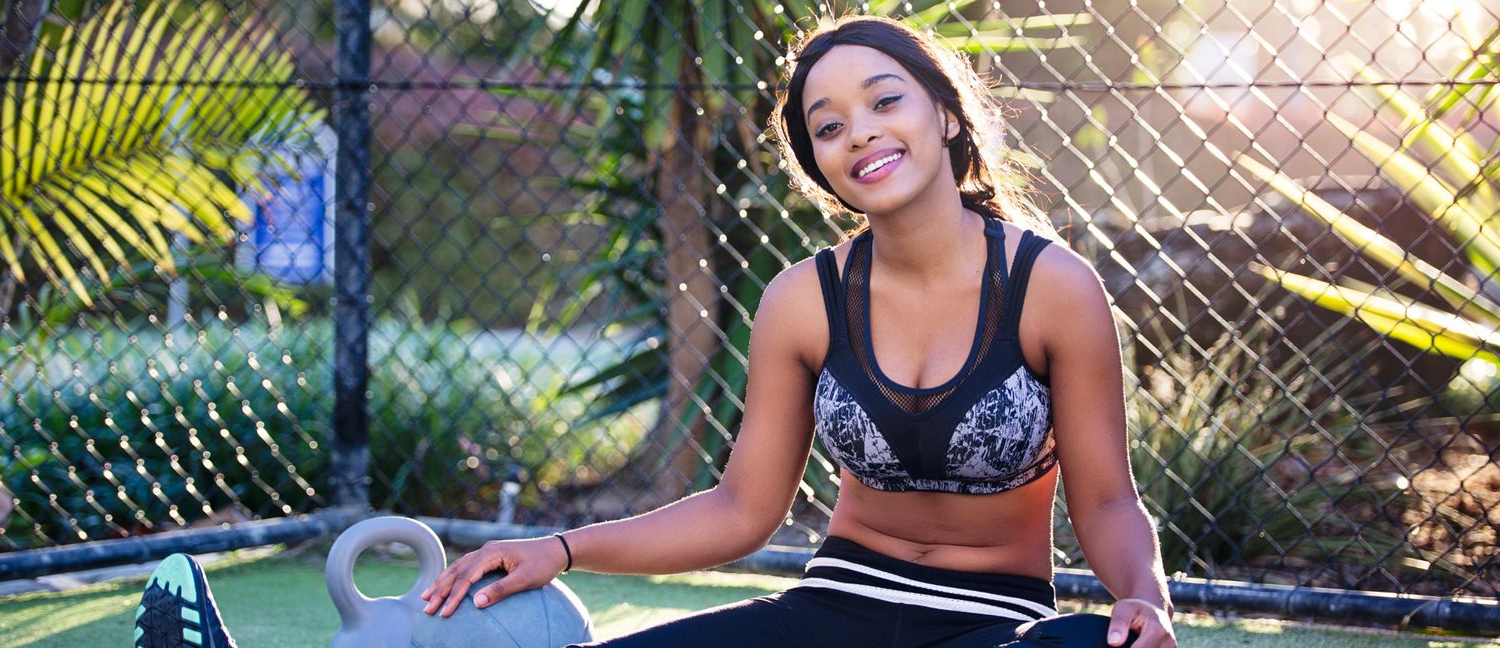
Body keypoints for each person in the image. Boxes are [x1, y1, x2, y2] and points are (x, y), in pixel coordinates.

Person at [418, 14, 1176, 648]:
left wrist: (1146, 597)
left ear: (946, 114)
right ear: (817, 162)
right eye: (830, 126)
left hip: (993, 624)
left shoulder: (1052, 287)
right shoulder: (802, 299)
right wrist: (560, 549)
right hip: (831, 612)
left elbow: (1108, 501)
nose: (861, 134)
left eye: (886, 102)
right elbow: (741, 509)